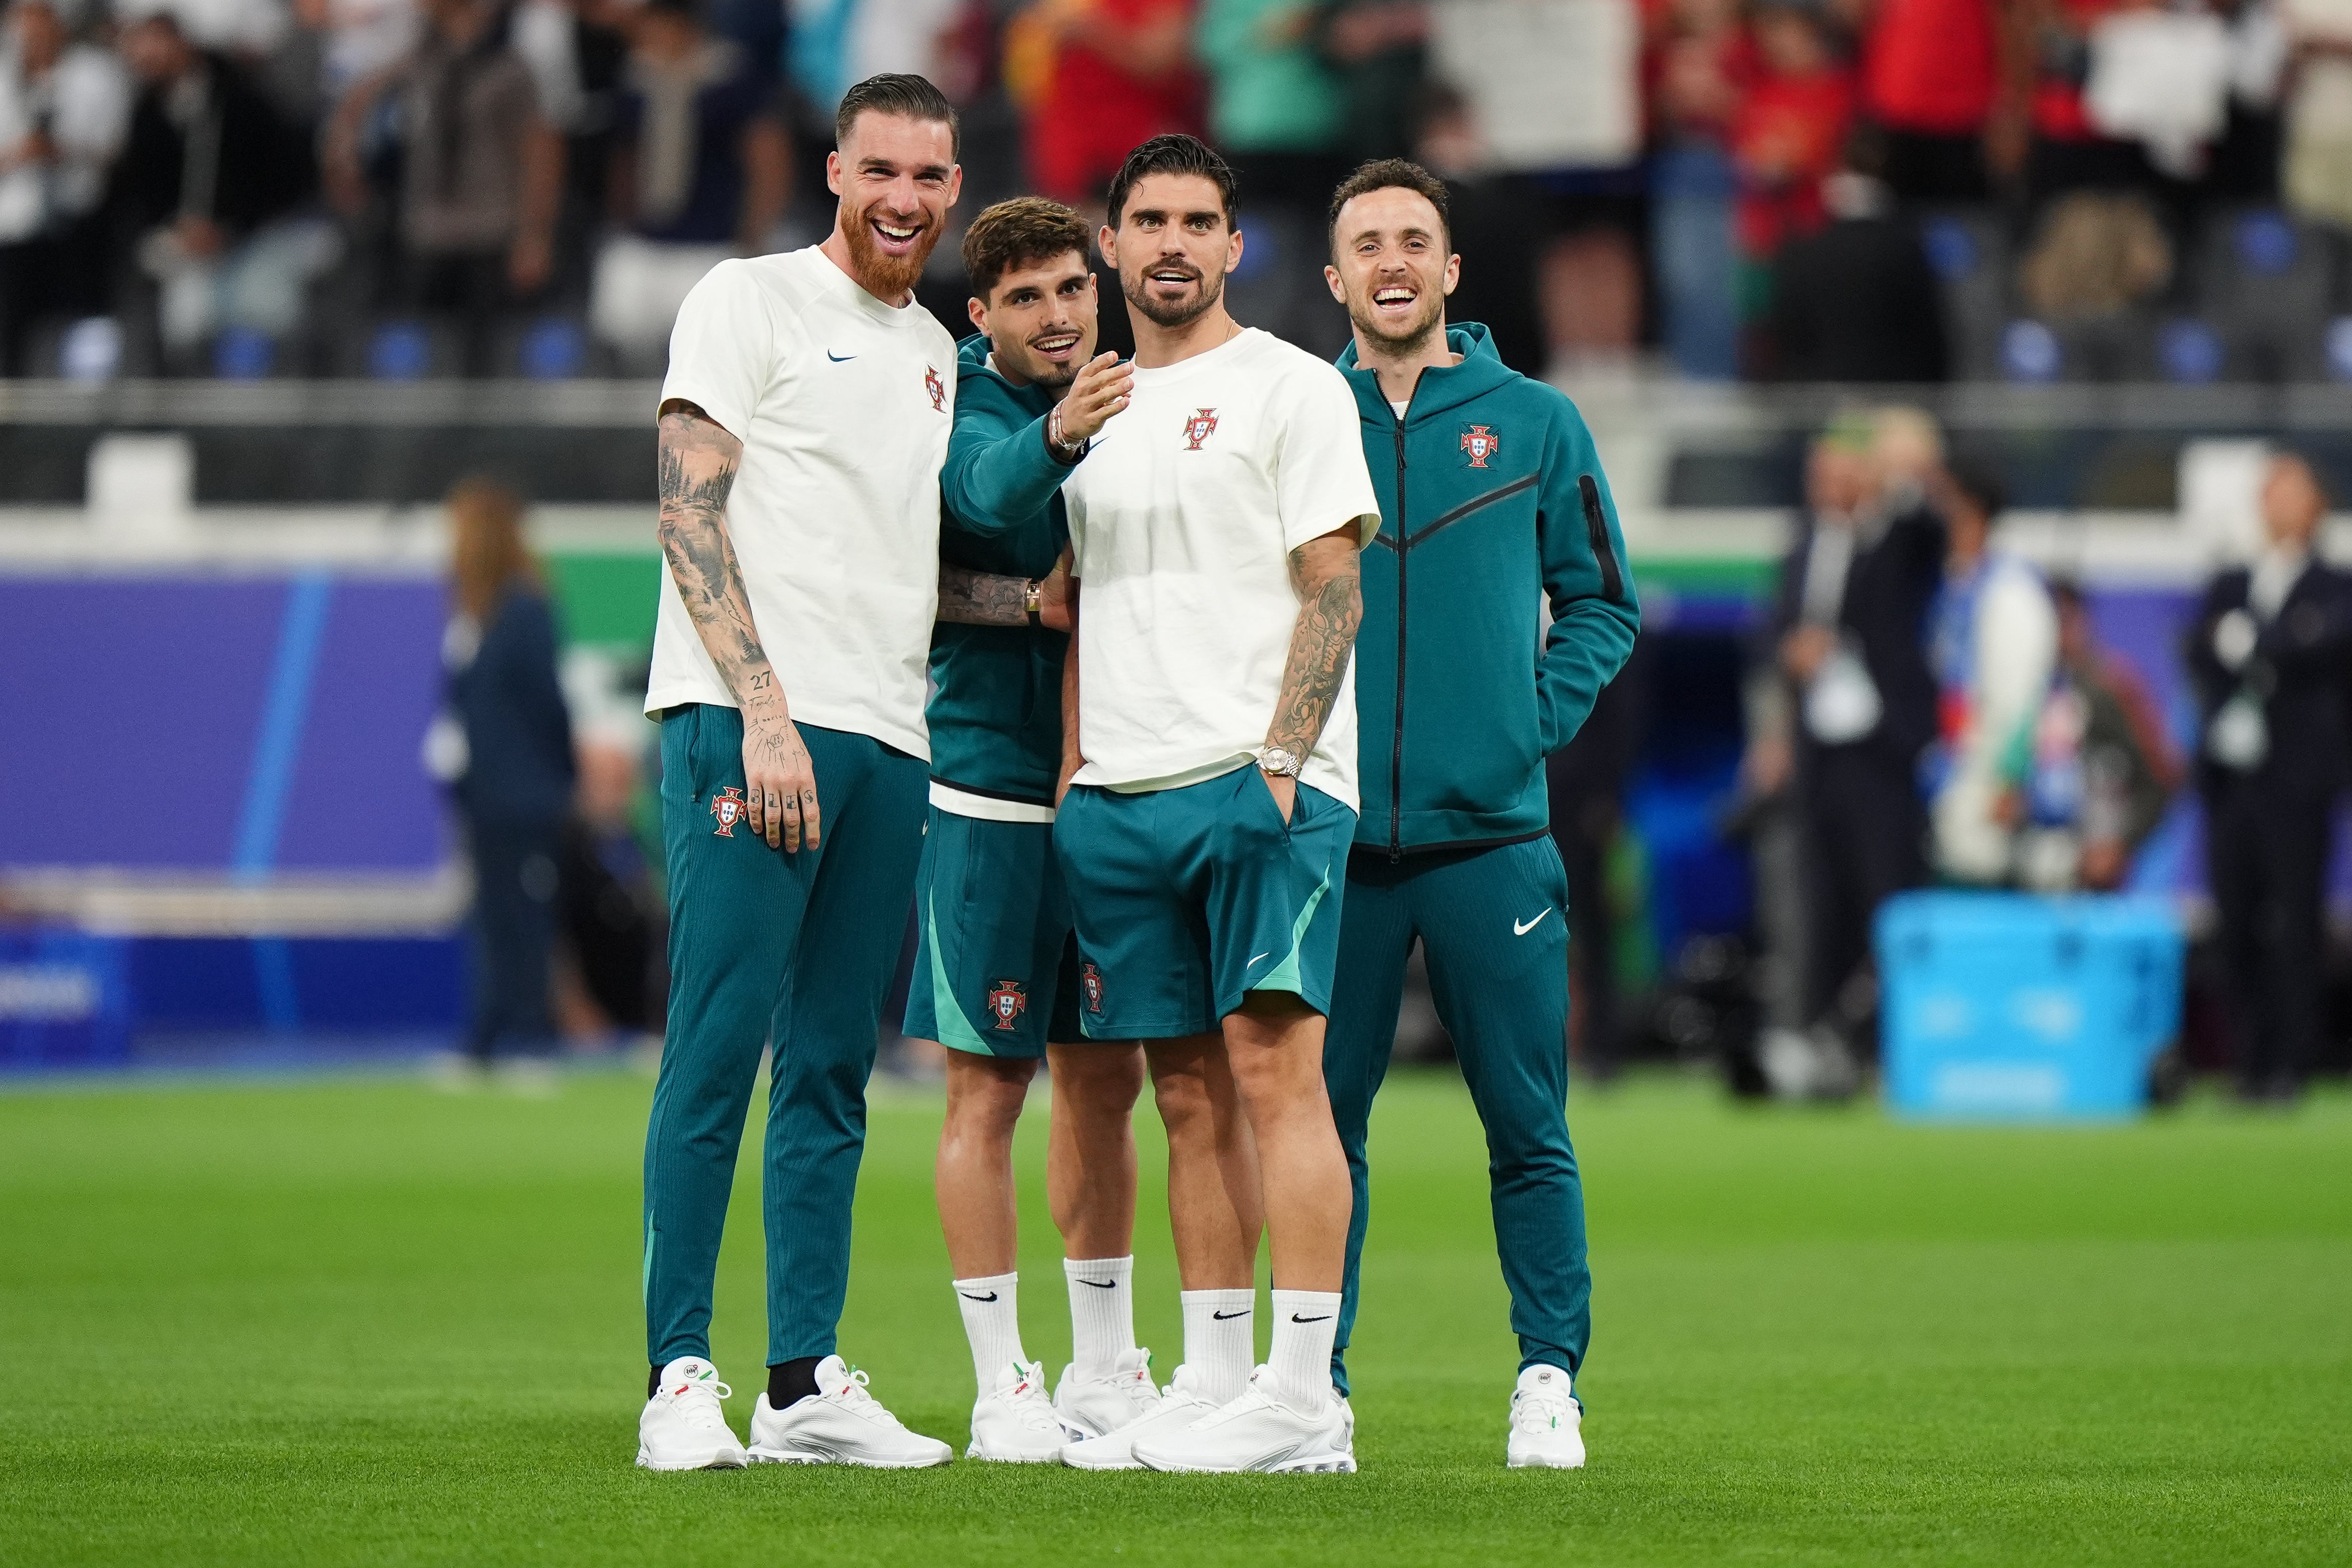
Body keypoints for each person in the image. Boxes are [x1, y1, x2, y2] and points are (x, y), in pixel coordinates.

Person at [631, 73, 1053, 1472]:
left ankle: (801, 1378)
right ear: (833, 170)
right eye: (880, 170)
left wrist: (1025, 611)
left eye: (930, 178)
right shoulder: (745, 300)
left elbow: (907, 569)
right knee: (715, 1051)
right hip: (751, 727)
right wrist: (762, 712)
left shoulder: (939, 351)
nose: (905, 199)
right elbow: (685, 508)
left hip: (889, 739)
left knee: (830, 1071)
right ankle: (677, 1379)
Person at [1053, 133, 1379, 1474]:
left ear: (1235, 246)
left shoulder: (1292, 389)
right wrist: (1077, 771)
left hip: (1259, 781)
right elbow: (1068, 609)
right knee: (1184, 1095)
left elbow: (1334, 586)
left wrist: (1285, 761)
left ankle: (1305, 1405)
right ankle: (1216, 1377)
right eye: (1148, 220)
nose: (1173, 242)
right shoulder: (1079, 413)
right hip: (1121, 791)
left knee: (1275, 1077)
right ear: (1111, 245)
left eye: (1198, 220)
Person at [1315, 158, 1638, 1469]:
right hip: (1327, 845)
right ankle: (1308, 1385)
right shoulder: (1292, 414)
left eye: (1413, 240)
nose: (1391, 262)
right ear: (1333, 278)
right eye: (1365, 245)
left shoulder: (1539, 422)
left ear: (1450, 271)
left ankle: (1547, 1380)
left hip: (1491, 841)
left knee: (1526, 1126)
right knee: (1315, 1134)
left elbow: (1603, 600)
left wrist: (1526, 720)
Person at [908, 195, 1161, 1461]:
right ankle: (1000, 1378)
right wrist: (1059, 432)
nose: (1056, 315)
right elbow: (979, 498)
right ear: (979, 315)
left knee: (1105, 1082)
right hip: (991, 785)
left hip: (1117, 779)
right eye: (1024, 298)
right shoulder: (953, 398)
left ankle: (1106, 1365)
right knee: (985, 1085)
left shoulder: (1147, 388)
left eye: (1070, 288)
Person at [1767, 425, 1941, 1086]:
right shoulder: (1803, 545)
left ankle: (1895, 1046)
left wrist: (1900, 482)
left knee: (1889, 898)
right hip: (1822, 754)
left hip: (1882, 753)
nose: (1826, 488)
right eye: (1819, 476)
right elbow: (1773, 630)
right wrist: (1792, 652)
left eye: (1839, 474)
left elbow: (1928, 533)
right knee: (1823, 901)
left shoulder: (1893, 537)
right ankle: (1825, 1045)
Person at [2185, 452, 2352, 1105]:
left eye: (2288, 492)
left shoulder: (2334, 583)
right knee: (2237, 919)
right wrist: (2271, 642)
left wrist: (2253, 642)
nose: (2274, 505)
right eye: (2268, 493)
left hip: (2297, 779)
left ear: (2315, 505)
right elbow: (2201, 648)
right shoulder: (2231, 579)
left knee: (2295, 919)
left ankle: (2293, 1062)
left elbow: (2321, 647)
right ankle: (2247, 1060)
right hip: (2234, 779)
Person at [325, 0, 565, 373]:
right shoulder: (421, 59)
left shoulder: (510, 66)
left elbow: (540, 155)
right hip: (426, 230)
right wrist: (345, 161)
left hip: (490, 230)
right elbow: (357, 102)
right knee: (412, 353)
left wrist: (534, 235)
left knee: (486, 358)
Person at [438, 479, 575, 1080]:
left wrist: (561, 776)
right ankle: (488, 1035)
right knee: (491, 916)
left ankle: (530, 1037)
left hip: (523, 797)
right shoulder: (475, 614)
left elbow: (548, 703)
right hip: (484, 797)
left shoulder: (525, 609)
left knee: (523, 915)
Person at [112, 12, 318, 363]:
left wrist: (229, 227)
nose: (146, 58)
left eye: (155, 45)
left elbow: (284, 177)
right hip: (186, 254)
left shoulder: (243, 100)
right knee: (186, 336)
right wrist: (175, 227)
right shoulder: (147, 112)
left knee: (265, 332)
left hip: (254, 244)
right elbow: (140, 189)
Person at [590, 0, 787, 362]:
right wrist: (622, 219)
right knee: (621, 347)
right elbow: (624, 159)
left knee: (706, 358)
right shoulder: (637, 79)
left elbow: (767, 160)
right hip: (645, 243)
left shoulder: (731, 78)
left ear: (680, 25)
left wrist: (754, 234)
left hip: (711, 243)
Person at [1924, 453, 2055, 884]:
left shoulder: (2011, 591)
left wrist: (2010, 778)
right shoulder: (1942, 586)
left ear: (1970, 509)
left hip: (1986, 784)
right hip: (1941, 775)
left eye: (1940, 499)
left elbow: (2024, 697)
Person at [0, 0, 129, 373]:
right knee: (13, 332)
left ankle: (83, 411)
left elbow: (117, 152)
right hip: (13, 226)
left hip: (80, 220)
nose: (32, 32)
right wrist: (19, 154)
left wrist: (64, 152)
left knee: (86, 328)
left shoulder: (97, 74)